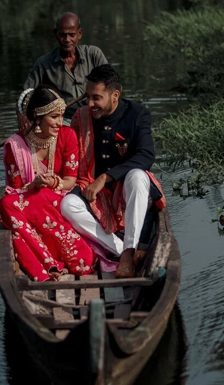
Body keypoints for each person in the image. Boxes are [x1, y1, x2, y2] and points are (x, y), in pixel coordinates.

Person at [60, 65, 166, 279]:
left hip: (127, 190)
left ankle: (127, 255)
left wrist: (105, 177)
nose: (90, 104)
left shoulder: (138, 114)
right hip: (93, 189)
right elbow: (68, 151)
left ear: (115, 95)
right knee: (67, 205)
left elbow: (146, 155)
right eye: (88, 97)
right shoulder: (81, 117)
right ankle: (123, 249)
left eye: (96, 98)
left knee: (137, 176)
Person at [0, 86, 95, 282]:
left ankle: (54, 264)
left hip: (60, 200)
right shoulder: (15, 146)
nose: (60, 122)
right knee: (5, 204)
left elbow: (70, 181)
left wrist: (53, 182)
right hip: (28, 202)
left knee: (19, 219)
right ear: (37, 116)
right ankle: (49, 264)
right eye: (54, 117)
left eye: (61, 116)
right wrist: (33, 185)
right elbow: (15, 191)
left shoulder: (67, 135)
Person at [19, 12, 108, 128]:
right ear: (56, 34)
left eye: (72, 35)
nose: (67, 39)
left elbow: (111, 83)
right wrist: (22, 114)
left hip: (95, 114)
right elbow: (27, 93)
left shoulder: (94, 54)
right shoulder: (44, 63)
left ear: (79, 34)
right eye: (62, 35)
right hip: (64, 120)